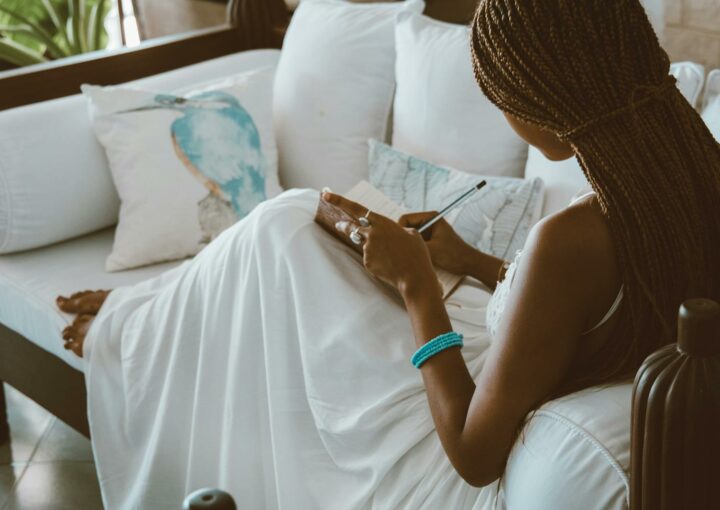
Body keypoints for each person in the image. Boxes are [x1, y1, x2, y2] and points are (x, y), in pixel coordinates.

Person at [56, 0, 720, 506]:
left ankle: (130, 328)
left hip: (457, 427)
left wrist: (418, 289)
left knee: (282, 237)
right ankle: (141, 315)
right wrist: (468, 257)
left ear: (540, 99)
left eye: (501, 97)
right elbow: (584, 306)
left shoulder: (570, 239)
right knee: (292, 228)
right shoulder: (687, 171)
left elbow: (473, 454)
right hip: (506, 366)